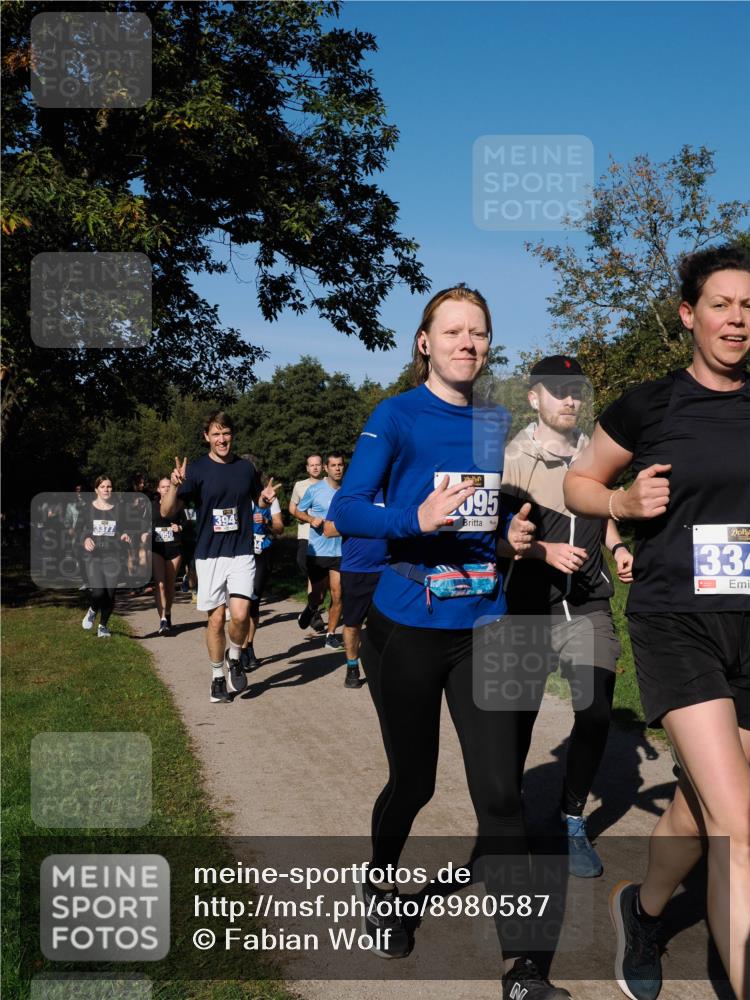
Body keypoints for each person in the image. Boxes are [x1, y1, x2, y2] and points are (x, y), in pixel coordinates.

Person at [333, 284, 570, 1000]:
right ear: (424, 342)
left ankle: (523, 966)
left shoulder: (496, 422)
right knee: (415, 782)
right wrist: (414, 518)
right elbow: (348, 509)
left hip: (484, 625)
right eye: (454, 331)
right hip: (407, 628)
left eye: (479, 332)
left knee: (500, 794)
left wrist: (510, 538)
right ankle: (379, 890)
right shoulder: (395, 416)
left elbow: (485, 519)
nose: (468, 343)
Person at [563, 244, 750, 1000]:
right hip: (678, 621)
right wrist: (619, 505)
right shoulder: (650, 403)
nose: (737, 320)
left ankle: (640, 912)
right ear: (688, 315)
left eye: (749, 308)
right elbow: (580, 479)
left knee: (705, 803)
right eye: (722, 304)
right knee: (740, 825)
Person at [499, 355, 633, 878]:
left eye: (576, 391)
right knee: (518, 719)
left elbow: (606, 513)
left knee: (596, 710)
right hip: (527, 606)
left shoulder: (595, 453)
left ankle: (571, 819)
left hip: (588, 602)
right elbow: (492, 540)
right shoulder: (511, 458)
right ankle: (506, 821)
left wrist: (617, 546)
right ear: (534, 398)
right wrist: (542, 554)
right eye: (557, 391)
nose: (570, 399)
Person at [162, 411, 277, 704]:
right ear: (207, 437)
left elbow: (257, 500)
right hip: (209, 554)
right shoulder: (197, 470)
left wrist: (264, 499)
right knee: (215, 621)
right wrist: (175, 484)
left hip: (241, 551)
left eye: (226, 433)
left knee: (239, 615)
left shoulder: (245, 469)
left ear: (232, 435)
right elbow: (166, 512)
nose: (222, 439)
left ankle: (235, 656)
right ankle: (216, 678)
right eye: (216, 434)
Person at [324, 489, 388, 688]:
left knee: (390, 623)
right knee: (353, 623)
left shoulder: (391, 490)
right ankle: (352, 665)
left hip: (389, 568)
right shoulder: (346, 494)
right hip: (356, 569)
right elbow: (328, 530)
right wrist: (365, 520)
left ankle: (388, 666)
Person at [295, 452, 346, 650]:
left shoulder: (348, 491)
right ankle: (311, 608)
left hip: (341, 551)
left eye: (340, 465)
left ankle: (331, 635)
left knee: (338, 594)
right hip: (318, 552)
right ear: (326, 468)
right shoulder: (315, 490)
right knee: (318, 595)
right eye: (333, 465)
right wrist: (310, 519)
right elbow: (298, 511)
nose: (337, 468)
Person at [79, 476, 136, 638]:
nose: (106, 489)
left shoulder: (119, 509)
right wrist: (85, 538)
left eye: (109, 486)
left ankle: (103, 626)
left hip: (113, 555)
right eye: (102, 486)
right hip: (94, 556)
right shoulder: (87, 509)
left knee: (110, 594)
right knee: (98, 592)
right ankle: (92, 610)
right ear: (96, 489)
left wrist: (124, 535)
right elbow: (77, 530)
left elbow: (124, 528)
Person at [242, 465, 284, 671]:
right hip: (240, 552)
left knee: (255, 599)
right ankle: (240, 648)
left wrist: (266, 520)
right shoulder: (238, 494)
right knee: (241, 602)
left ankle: (248, 645)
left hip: (262, 551)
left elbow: (280, 527)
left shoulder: (270, 496)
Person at [289, 454, 326, 632]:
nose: (315, 468)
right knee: (307, 568)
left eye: (318, 465)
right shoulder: (300, 486)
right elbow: (292, 508)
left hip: (326, 537)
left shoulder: (330, 484)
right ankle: (312, 609)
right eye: (312, 465)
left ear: (323, 466)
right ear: (307, 468)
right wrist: (308, 518)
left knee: (318, 575)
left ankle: (313, 611)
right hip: (306, 535)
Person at [151, 476, 185, 635]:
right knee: (160, 584)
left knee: (170, 584)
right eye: (162, 487)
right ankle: (163, 619)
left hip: (174, 548)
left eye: (168, 486)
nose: (165, 489)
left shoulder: (179, 506)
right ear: (158, 489)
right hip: (157, 548)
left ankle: (168, 612)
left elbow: (188, 524)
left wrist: (179, 527)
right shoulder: (151, 507)